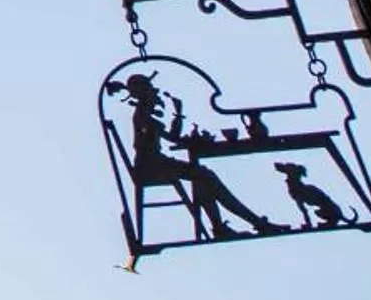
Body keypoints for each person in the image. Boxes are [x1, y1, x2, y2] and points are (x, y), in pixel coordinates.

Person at [114, 74, 280, 240]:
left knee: (203, 177)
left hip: (156, 162)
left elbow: (171, 137)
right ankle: (252, 223)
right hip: (152, 166)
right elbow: (165, 139)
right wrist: (174, 119)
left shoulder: (145, 115)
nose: (155, 97)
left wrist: (178, 114)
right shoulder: (142, 116)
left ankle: (224, 227)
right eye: (151, 93)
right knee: (205, 176)